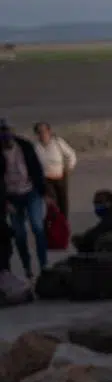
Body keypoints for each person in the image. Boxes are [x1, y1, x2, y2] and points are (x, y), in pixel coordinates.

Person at [1, 118, 50, 279]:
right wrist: (5, 203)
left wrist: (44, 192)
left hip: (31, 192)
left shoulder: (25, 146)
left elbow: (37, 169)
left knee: (38, 227)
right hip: (11, 197)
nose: (6, 136)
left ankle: (44, 265)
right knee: (20, 235)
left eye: (7, 131)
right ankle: (27, 267)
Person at [32, 122, 77, 223]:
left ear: (49, 131)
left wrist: (69, 167)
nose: (42, 134)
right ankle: (54, 224)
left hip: (60, 176)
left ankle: (64, 223)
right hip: (46, 179)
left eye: (44, 131)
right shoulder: (35, 147)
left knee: (63, 202)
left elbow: (71, 154)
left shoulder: (57, 142)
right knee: (52, 203)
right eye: (39, 132)